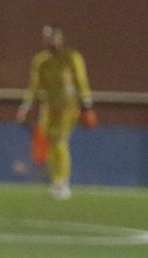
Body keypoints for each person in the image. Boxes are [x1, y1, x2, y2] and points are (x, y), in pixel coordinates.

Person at [16, 25, 95, 200]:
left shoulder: (72, 58)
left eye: (54, 37)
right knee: (50, 142)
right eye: (48, 37)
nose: (51, 41)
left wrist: (87, 107)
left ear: (61, 38)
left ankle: (63, 182)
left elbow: (81, 82)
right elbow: (34, 86)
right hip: (49, 108)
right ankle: (57, 180)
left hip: (68, 107)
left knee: (60, 140)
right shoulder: (41, 61)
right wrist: (25, 108)